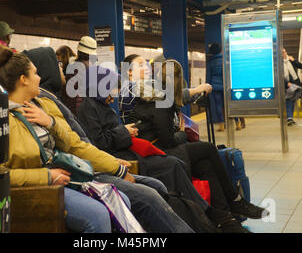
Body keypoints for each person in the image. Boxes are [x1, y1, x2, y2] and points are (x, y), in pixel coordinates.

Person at [0, 43, 193, 233]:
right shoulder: (0, 118)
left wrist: (51, 123)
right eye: (35, 73)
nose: (39, 78)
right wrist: (47, 176)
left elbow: (75, 143)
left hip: (73, 172)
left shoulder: (45, 106)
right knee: (103, 214)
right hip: (46, 186)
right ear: (23, 79)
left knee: (141, 194)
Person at [77, 64, 255, 233]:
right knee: (178, 162)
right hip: (121, 157)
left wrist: (124, 132)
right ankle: (213, 213)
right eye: (109, 88)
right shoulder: (89, 108)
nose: (113, 94)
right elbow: (99, 142)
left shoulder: (101, 106)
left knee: (188, 163)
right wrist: (124, 131)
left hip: (129, 151)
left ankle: (213, 214)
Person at [130, 59, 269, 224]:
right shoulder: (151, 98)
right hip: (158, 151)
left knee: (206, 165)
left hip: (159, 146)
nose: (145, 68)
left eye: (146, 65)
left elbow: (176, 101)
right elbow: (168, 140)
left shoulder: (154, 92)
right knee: (209, 149)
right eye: (140, 65)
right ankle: (235, 201)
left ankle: (225, 218)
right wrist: (181, 133)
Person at [119, 54, 212, 125]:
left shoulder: (145, 85)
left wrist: (196, 94)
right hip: (144, 139)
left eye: (146, 64)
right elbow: (168, 97)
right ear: (129, 71)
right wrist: (196, 90)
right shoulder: (131, 88)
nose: (147, 68)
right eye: (141, 65)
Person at [61, 36, 98, 116]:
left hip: (76, 111)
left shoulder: (74, 67)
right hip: (88, 110)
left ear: (79, 51)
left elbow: (73, 96)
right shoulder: (92, 68)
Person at [206, 43, 225, 132]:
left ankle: (221, 124)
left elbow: (208, 76)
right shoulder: (225, 60)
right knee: (228, 105)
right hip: (226, 86)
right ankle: (237, 123)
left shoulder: (211, 62)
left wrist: (207, 86)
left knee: (218, 105)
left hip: (215, 87)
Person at [283, 48, 302, 126]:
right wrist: (286, 83)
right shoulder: (278, 63)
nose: (284, 54)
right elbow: (278, 76)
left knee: (293, 100)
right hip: (286, 84)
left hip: (295, 82)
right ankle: (289, 118)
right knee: (288, 99)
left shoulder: (290, 60)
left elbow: (301, 66)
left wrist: (294, 60)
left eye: (285, 52)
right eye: (282, 53)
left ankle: (290, 118)